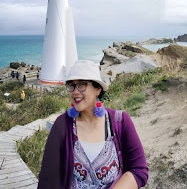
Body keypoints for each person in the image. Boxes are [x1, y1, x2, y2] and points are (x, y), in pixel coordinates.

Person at [38, 60, 148, 188]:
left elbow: (139, 170)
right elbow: (48, 179)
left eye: (82, 84)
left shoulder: (120, 121)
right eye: (71, 85)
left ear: (98, 89)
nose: (75, 91)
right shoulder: (62, 125)